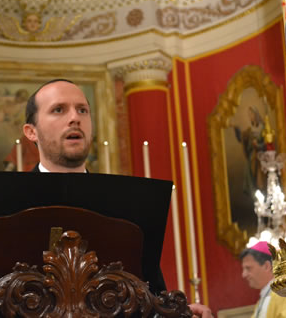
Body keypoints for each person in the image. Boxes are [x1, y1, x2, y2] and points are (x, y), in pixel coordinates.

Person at [22, 78, 213, 317]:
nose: (75, 118)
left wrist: (178, 314)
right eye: (58, 110)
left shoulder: (127, 205)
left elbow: (149, 295)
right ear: (31, 131)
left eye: (83, 110)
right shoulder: (6, 207)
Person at [240, 242, 286, 318]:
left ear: (267, 266)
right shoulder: (265, 295)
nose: (244, 274)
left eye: (248, 268)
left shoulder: (285, 293)